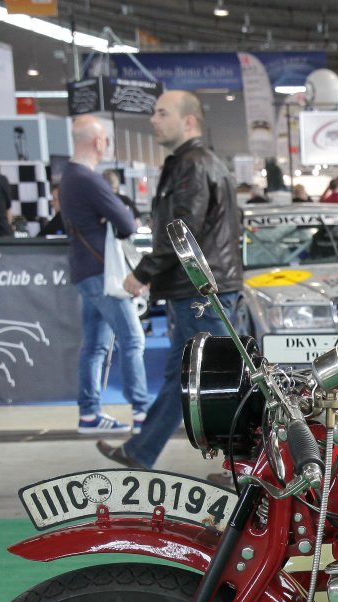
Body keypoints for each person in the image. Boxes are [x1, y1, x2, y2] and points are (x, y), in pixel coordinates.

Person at [96, 90, 241, 471]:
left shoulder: (192, 165)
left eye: (162, 113)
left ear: (188, 121)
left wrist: (143, 272)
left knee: (221, 381)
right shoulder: (197, 162)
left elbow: (182, 232)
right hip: (202, 289)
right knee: (189, 378)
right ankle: (141, 451)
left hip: (201, 291)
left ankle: (246, 467)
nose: (153, 120)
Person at [59, 114, 149, 436]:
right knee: (132, 339)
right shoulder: (87, 179)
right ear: (98, 142)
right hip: (103, 273)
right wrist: (114, 218)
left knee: (95, 346)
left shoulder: (69, 178)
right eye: (106, 140)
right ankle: (141, 412)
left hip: (87, 271)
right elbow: (126, 222)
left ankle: (89, 414)